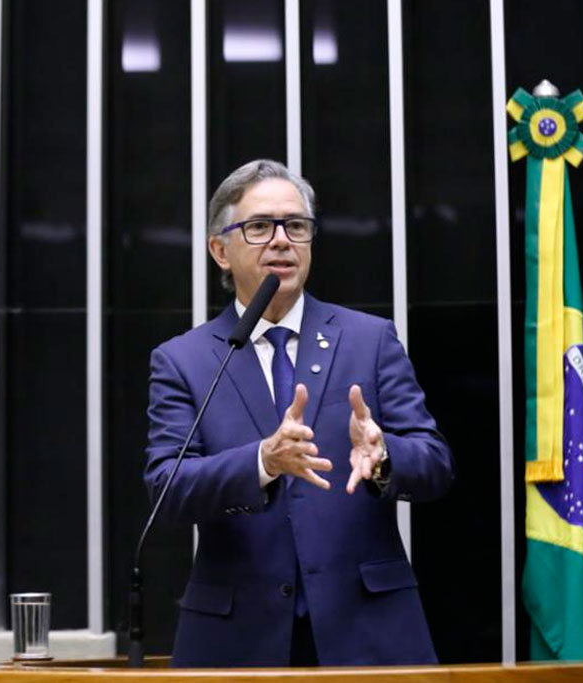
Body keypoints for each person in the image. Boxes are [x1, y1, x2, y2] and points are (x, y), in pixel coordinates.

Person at [144, 159, 454, 667]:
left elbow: (435, 463)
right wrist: (262, 461)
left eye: (296, 226)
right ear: (220, 250)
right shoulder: (185, 360)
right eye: (260, 227)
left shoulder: (369, 340)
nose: (282, 241)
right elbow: (167, 486)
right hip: (237, 641)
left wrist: (384, 457)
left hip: (368, 631)